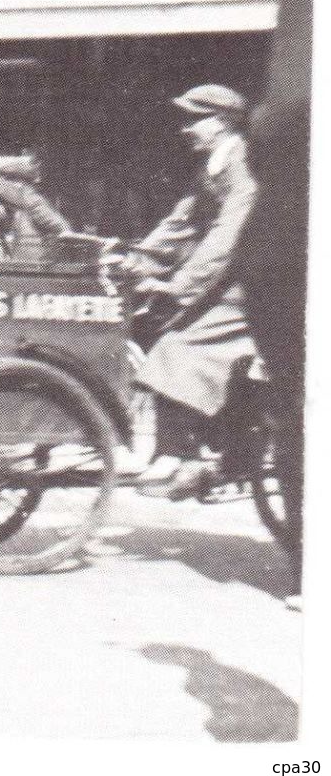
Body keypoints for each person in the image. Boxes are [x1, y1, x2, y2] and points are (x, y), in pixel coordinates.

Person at [120, 85, 258, 501]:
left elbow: (226, 237)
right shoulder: (213, 168)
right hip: (228, 287)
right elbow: (182, 222)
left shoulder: (243, 167)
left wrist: (178, 285)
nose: (185, 129)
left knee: (176, 346)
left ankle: (192, 461)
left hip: (251, 289)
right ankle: (190, 454)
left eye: (194, 119)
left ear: (222, 123)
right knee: (166, 337)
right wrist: (138, 260)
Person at [0, 155, 71, 261]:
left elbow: (59, 226)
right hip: (24, 261)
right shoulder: (21, 198)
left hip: (31, 262)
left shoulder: (28, 198)